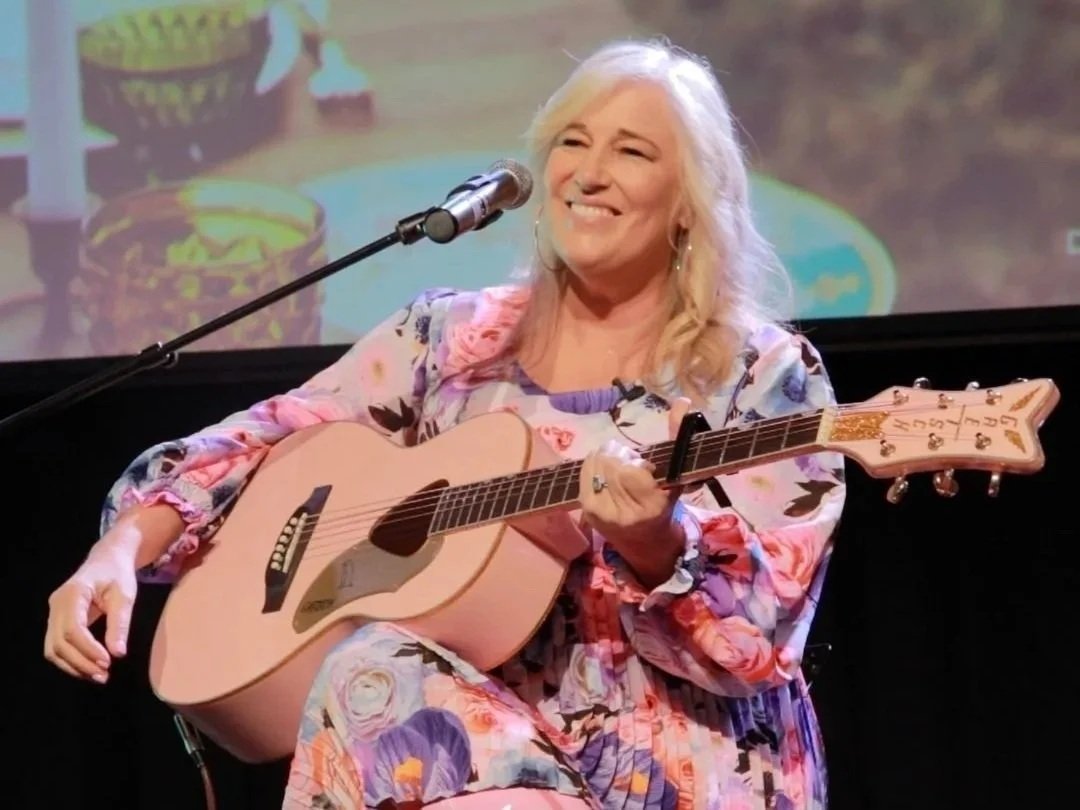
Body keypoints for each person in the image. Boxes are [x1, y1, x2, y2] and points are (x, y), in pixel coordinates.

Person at [44, 38, 846, 810]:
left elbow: (759, 643)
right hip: (456, 761)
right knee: (370, 669)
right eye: (573, 141)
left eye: (633, 152)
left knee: (369, 671)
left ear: (689, 205)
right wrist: (120, 550)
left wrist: (656, 544)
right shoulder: (449, 343)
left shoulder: (760, 373)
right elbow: (260, 440)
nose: (589, 174)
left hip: (670, 768)